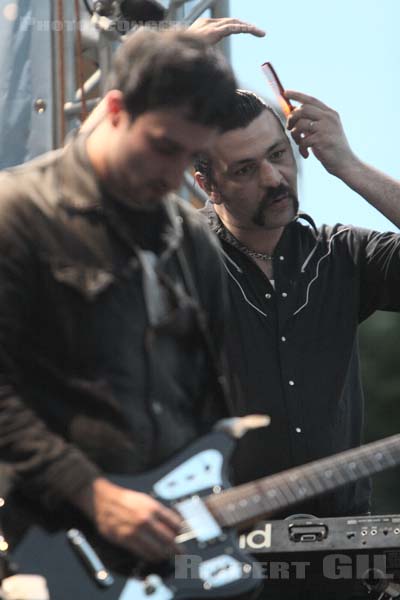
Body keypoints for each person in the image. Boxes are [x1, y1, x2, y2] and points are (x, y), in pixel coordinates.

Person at [0, 22, 271, 567]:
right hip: (50, 548)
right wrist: (92, 494)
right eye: (163, 147)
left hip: (166, 556)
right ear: (117, 110)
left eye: (192, 157)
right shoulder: (19, 214)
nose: (175, 177)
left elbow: (207, 399)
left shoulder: (192, 240)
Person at [195, 89, 400, 597]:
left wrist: (348, 165)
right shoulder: (177, 261)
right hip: (218, 563)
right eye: (244, 169)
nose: (273, 179)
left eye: (278, 155)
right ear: (206, 183)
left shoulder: (343, 254)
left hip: (344, 565)